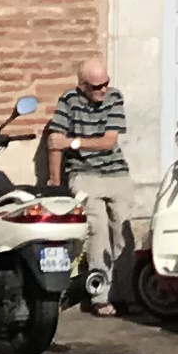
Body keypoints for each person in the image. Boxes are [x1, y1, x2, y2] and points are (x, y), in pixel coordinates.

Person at [40, 58, 131, 310]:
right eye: (95, 86)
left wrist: (73, 143)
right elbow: (54, 142)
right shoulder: (69, 101)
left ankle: (123, 293)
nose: (102, 89)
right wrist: (55, 183)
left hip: (116, 173)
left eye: (105, 83)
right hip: (84, 174)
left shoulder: (115, 98)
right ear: (81, 85)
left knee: (121, 233)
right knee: (98, 232)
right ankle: (99, 295)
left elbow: (108, 141)